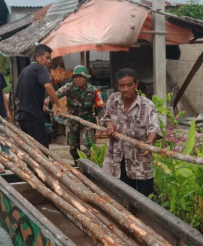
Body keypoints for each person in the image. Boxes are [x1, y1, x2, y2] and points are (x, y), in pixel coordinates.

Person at [101, 68, 160, 196]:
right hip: (117, 156)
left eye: (129, 85)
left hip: (139, 158)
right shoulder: (113, 99)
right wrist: (109, 124)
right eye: (122, 86)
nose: (126, 89)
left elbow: (153, 127)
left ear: (136, 85)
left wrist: (150, 141)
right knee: (122, 193)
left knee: (145, 195)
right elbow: (106, 117)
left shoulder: (146, 105)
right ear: (117, 86)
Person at [16, 44, 61, 147]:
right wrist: (58, 106)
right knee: (42, 149)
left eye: (50, 58)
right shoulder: (40, 68)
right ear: (38, 57)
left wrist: (39, 104)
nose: (49, 61)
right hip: (33, 117)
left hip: (22, 117)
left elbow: (18, 96)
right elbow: (48, 86)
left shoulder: (24, 70)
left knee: (31, 149)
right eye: (47, 57)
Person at [55, 65, 99, 162]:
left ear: (86, 78)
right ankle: (77, 164)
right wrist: (50, 103)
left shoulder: (94, 90)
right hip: (73, 122)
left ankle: (89, 168)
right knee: (73, 148)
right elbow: (55, 95)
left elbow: (100, 108)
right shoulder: (68, 87)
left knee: (87, 147)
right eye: (75, 77)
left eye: (80, 77)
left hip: (87, 122)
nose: (78, 79)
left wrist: (100, 126)